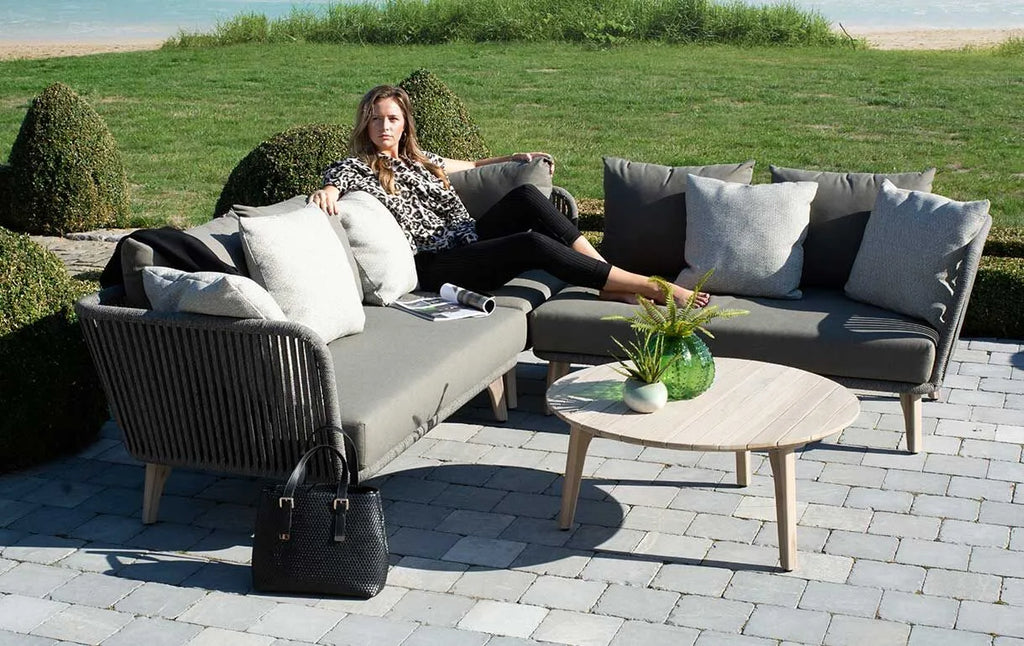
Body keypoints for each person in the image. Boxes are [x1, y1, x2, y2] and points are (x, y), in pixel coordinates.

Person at [309, 85, 708, 307]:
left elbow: (470, 164)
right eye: (376, 119)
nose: (384, 126)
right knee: (530, 244)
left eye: (392, 118)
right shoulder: (357, 165)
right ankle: (650, 286)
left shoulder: (421, 159)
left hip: (467, 238)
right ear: (366, 124)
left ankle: (606, 275)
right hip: (437, 263)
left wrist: (513, 158)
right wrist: (326, 192)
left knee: (528, 196)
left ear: (404, 124)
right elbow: (334, 181)